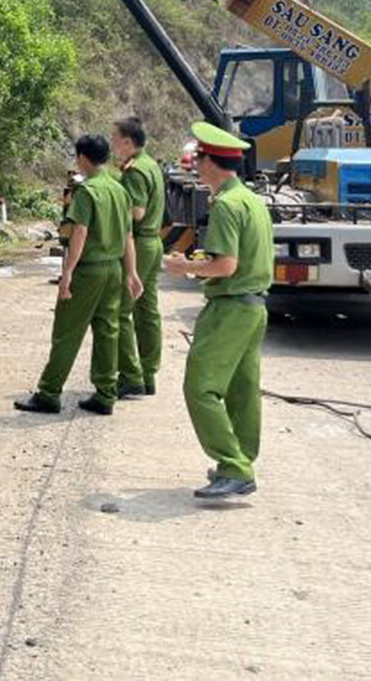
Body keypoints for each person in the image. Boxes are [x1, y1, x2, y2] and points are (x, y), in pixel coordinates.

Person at [165, 122, 273, 499]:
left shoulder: (227, 205)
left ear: (212, 163)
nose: (195, 164)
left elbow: (225, 266)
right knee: (243, 391)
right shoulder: (251, 201)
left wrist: (184, 267)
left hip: (229, 308)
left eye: (199, 158)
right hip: (253, 307)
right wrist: (200, 261)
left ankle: (236, 467)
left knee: (200, 387)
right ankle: (238, 462)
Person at [16, 135, 143, 416]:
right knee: (108, 332)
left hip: (89, 272)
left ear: (83, 158)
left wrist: (67, 274)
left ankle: (49, 394)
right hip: (113, 269)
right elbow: (128, 235)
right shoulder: (119, 189)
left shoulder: (87, 192)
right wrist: (131, 273)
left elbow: (80, 233)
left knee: (67, 332)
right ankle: (106, 395)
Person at [112, 116, 165, 399]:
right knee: (147, 310)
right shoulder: (151, 165)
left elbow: (136, 213)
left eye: (115, 139)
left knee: (121, 312)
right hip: (154, 243)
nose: (112, 144)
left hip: (139, 243)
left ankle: (130, 376)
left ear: (128, 142)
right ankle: (147, 372)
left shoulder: (134, 172)